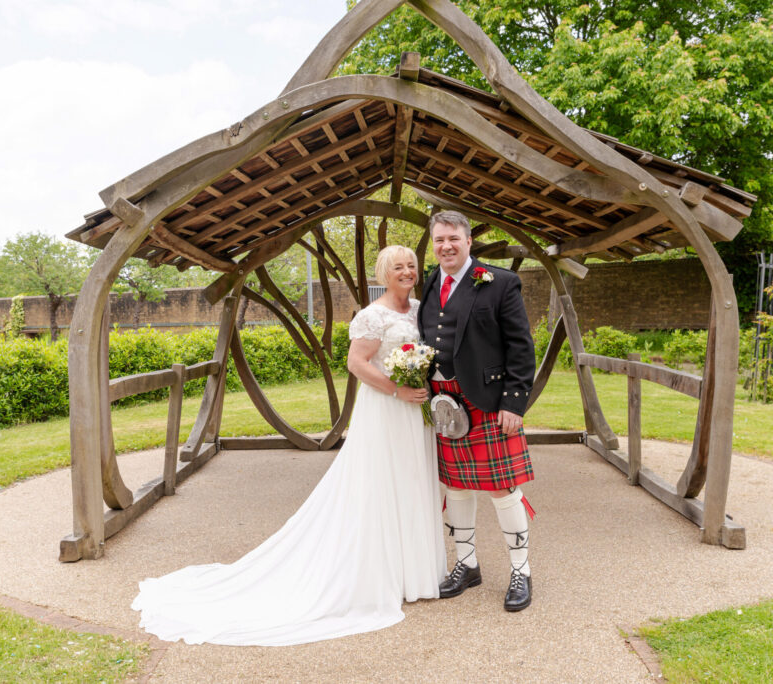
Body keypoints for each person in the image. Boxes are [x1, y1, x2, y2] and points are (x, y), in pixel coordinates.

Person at [131, 245, 445, 646]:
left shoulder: (421, 309)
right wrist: (397, 390)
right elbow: (357, 363)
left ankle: (414, 571)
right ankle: (380, 572)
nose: (407, 272)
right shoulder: (372, 315)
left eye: (411, 266)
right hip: (387, 408)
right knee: (381, 483)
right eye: (398, 267)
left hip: (414, 412)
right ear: (384, 273)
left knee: (413, 481)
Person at [417, 210, 537, 612]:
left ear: (468, 241)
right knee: (456, 487)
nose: (446, 246)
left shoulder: (499, 281)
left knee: (502, 487)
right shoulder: (432, 281)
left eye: (453, 238)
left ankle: (521, 570)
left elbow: (521, 345)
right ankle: (467, 565)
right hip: (445, 402)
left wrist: (514, 402)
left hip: (487, 402)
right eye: (439, 240)